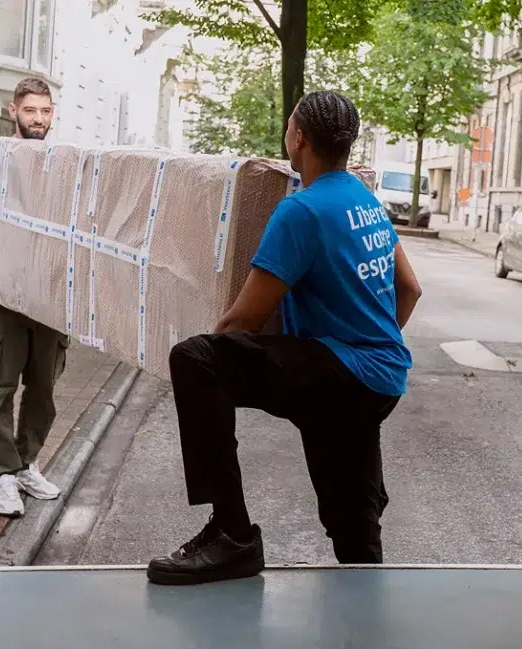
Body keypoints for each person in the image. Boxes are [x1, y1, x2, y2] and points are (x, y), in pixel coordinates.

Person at [146, 91, 423, 586]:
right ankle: (365, 602)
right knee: (352, 524)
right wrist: (366, 345)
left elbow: (243, 322)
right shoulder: (366, 201)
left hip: (342, 373)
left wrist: (209, 369)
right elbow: (410, 288)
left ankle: (231, 535)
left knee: (194, 359)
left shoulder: (302, 210)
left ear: (299, 139)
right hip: (382, 379)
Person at [0, 77, 67, 517]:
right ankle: (2, 476)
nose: (38, 119)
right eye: (30, 110)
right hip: (2, 293)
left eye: (45, 111)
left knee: (43, 389)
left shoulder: (62, 164)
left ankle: (26, 465)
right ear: (13, 112)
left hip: (49, 297)